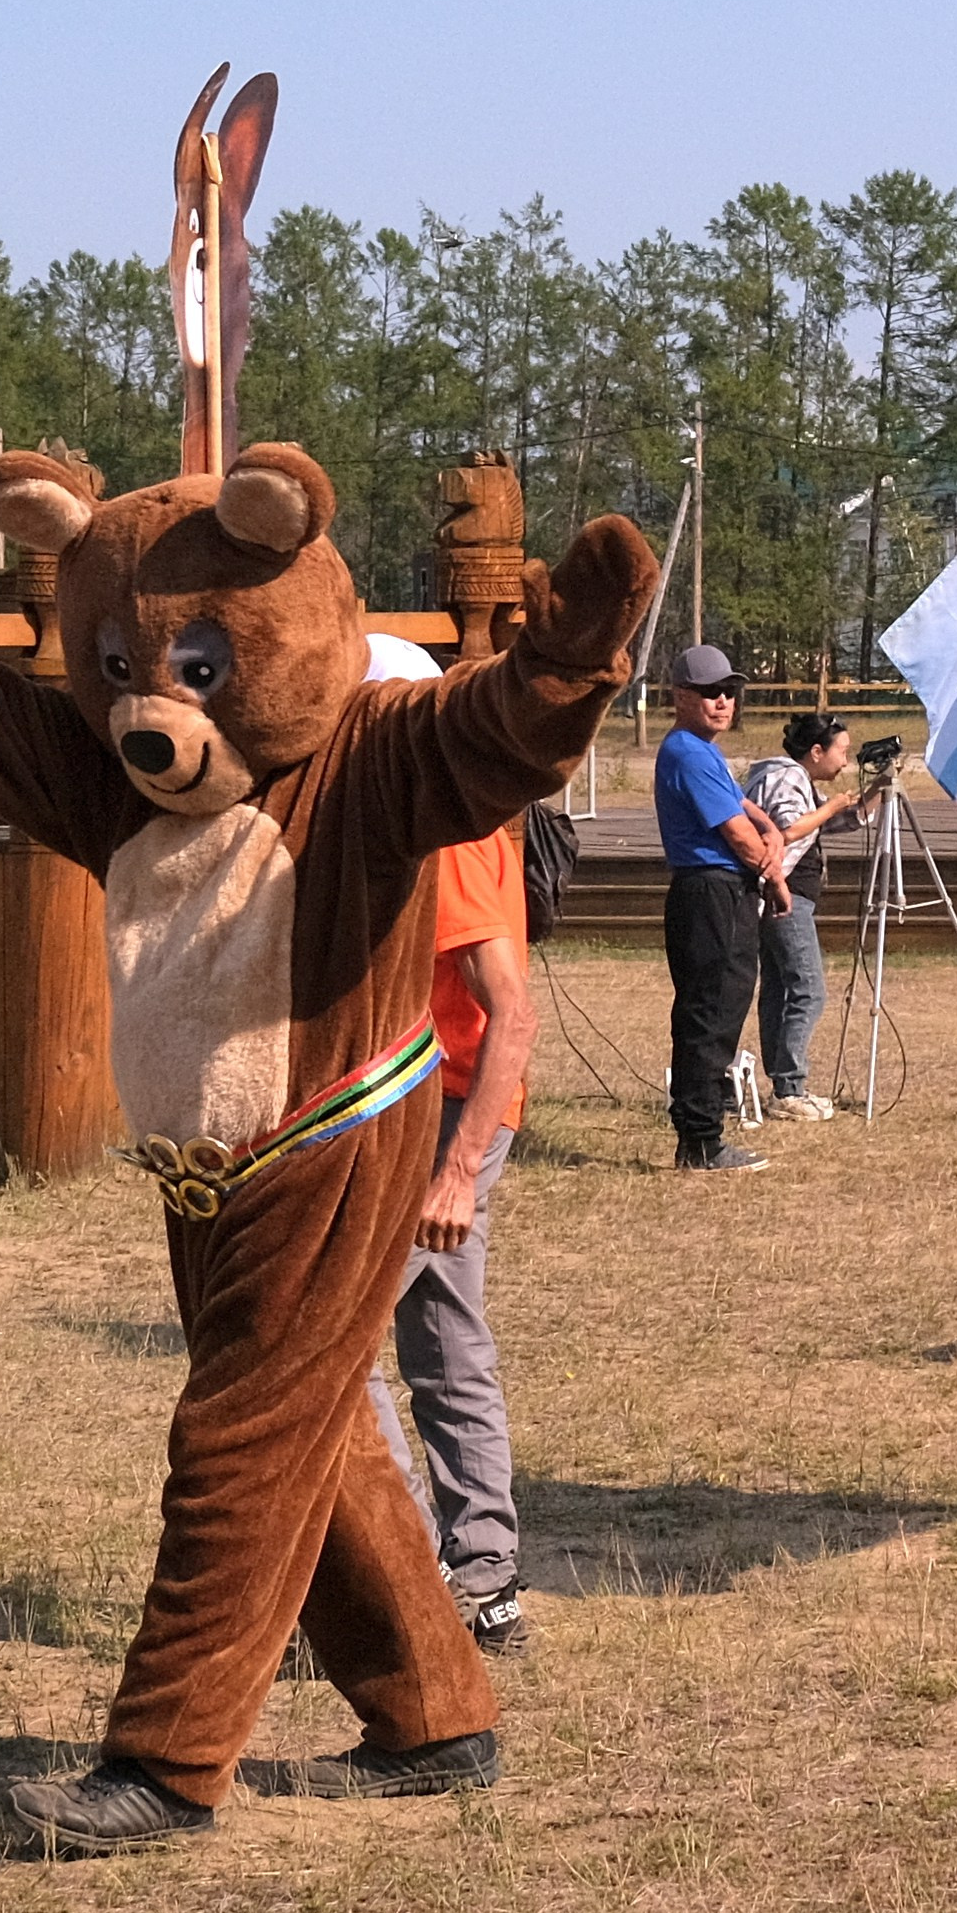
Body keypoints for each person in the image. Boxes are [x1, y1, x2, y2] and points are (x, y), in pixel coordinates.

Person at [360, 637, 537, 1656]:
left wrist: (457, 1169)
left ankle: (410, 1581)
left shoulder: (452, 832)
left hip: (446, 1108)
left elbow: (509, 1012)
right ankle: (475, 1581)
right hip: (408, 1103)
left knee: (339, 1351)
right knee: (441, 1337)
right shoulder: (407, 812)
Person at [654, 642, 786, 1175]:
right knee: (712, 1013)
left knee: (714, 1009)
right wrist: (774, 876)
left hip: (712, 892)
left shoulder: (700, 752)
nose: (723, 701)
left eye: (729, 692)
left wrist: (772, 827)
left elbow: (742, 805)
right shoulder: (688, 750)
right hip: (712, 892)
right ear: (681, 696)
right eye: (709, 693)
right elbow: (737, 834)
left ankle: (701, 1131)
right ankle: (701, 1140)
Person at [740, 713, 867, 1122]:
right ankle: (790, 1088)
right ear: (816, 751)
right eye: (841, 752)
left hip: (786, 896)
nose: (845, 762)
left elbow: (823, 826)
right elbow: (791, 829)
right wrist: (831, 806)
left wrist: (876, 793)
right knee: (808, 988)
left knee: (780, 988)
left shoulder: (797, 780)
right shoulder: (786, 777)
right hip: (785, 896)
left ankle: (783, 1087)